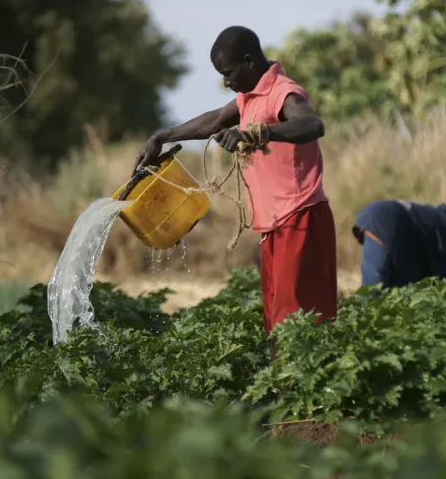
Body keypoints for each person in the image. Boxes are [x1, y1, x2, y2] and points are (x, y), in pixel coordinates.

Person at [133, 25, 337, 356]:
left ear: (249, 61)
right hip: (273, 223)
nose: (227, 82)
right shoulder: (248, 98)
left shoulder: (283, 92)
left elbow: (313, 125)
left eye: (229, 73)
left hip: (301, 215)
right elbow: (213, 122)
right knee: (276, 318)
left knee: (299, 318)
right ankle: (284, 392)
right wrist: (163, 136)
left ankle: (306, 398)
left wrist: (260, 134)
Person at [352, 199, 446, 291]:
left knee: (391, 290)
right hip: (387, 223)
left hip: (374, 217)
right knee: (373, 297)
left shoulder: (440, 224)